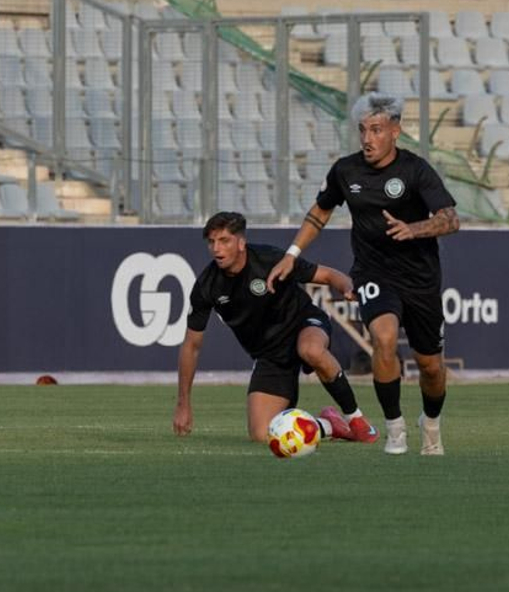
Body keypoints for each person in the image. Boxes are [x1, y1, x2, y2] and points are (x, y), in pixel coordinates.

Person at [269, 93, 460, 456]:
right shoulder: (346, 171)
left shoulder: (416, 170)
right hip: (374, 272)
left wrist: (413, 229)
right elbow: (320, 212)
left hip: (421, 279)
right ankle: (395, 428)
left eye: (376, 129)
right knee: (383, 337)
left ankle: (430, 423)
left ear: (395, 131)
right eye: (362, 130)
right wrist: (293, 254)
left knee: (431, 367)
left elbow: (451, 219)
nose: (367, 138)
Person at [174, 211, 376, 446]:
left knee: (310, 350)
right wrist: (183, 403)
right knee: (262, 434)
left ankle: (357, 420)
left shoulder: (270, 259)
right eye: (211, 242)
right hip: (270, 354)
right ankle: (330, 425)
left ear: (241, 243)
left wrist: (348, 287)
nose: (217, 249)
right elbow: (191, 346)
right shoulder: (207, 286)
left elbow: (329, 275)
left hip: (304, 324)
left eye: (224, 241)